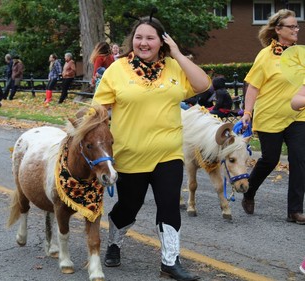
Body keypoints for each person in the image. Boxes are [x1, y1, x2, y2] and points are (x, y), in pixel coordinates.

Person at [92, 13, 210, 281]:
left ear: (161, 42)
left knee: (168, 204)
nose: (143, 43)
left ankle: (170, 262)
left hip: (167, 153)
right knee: (128, 207)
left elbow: (203, 84)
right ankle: (114, 242)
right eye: (139, 37)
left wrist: (178, 54)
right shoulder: (117, 70)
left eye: (150, 38)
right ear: (132, 40)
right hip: (130, 153)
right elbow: (98, 110)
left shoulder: (174, 68)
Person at [240, 9, 305, 225]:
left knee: (299, 158)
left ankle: (295, 211)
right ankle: (249, 191)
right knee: (270, 159)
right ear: (278, 30)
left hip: (298, 116)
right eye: (292, 26)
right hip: (270, 116)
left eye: (297, 25)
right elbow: (253, 87)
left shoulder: (300, 55)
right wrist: (248, 113)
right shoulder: (265, 56)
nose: (297, 29)